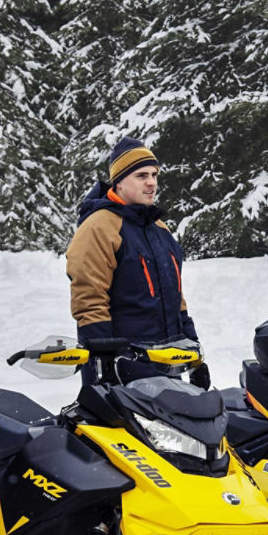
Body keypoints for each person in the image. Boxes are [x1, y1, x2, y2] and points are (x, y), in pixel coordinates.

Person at [66, 136, 204, 386]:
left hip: (166, 365)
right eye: (141, 176)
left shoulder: (160, 229)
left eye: (154, 174)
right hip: (123, 366)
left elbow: (176, 298)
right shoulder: (99, 227)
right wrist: (105, 362)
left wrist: (195, 358)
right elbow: (89, 298)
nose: (152, 183)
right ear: (119, 181)